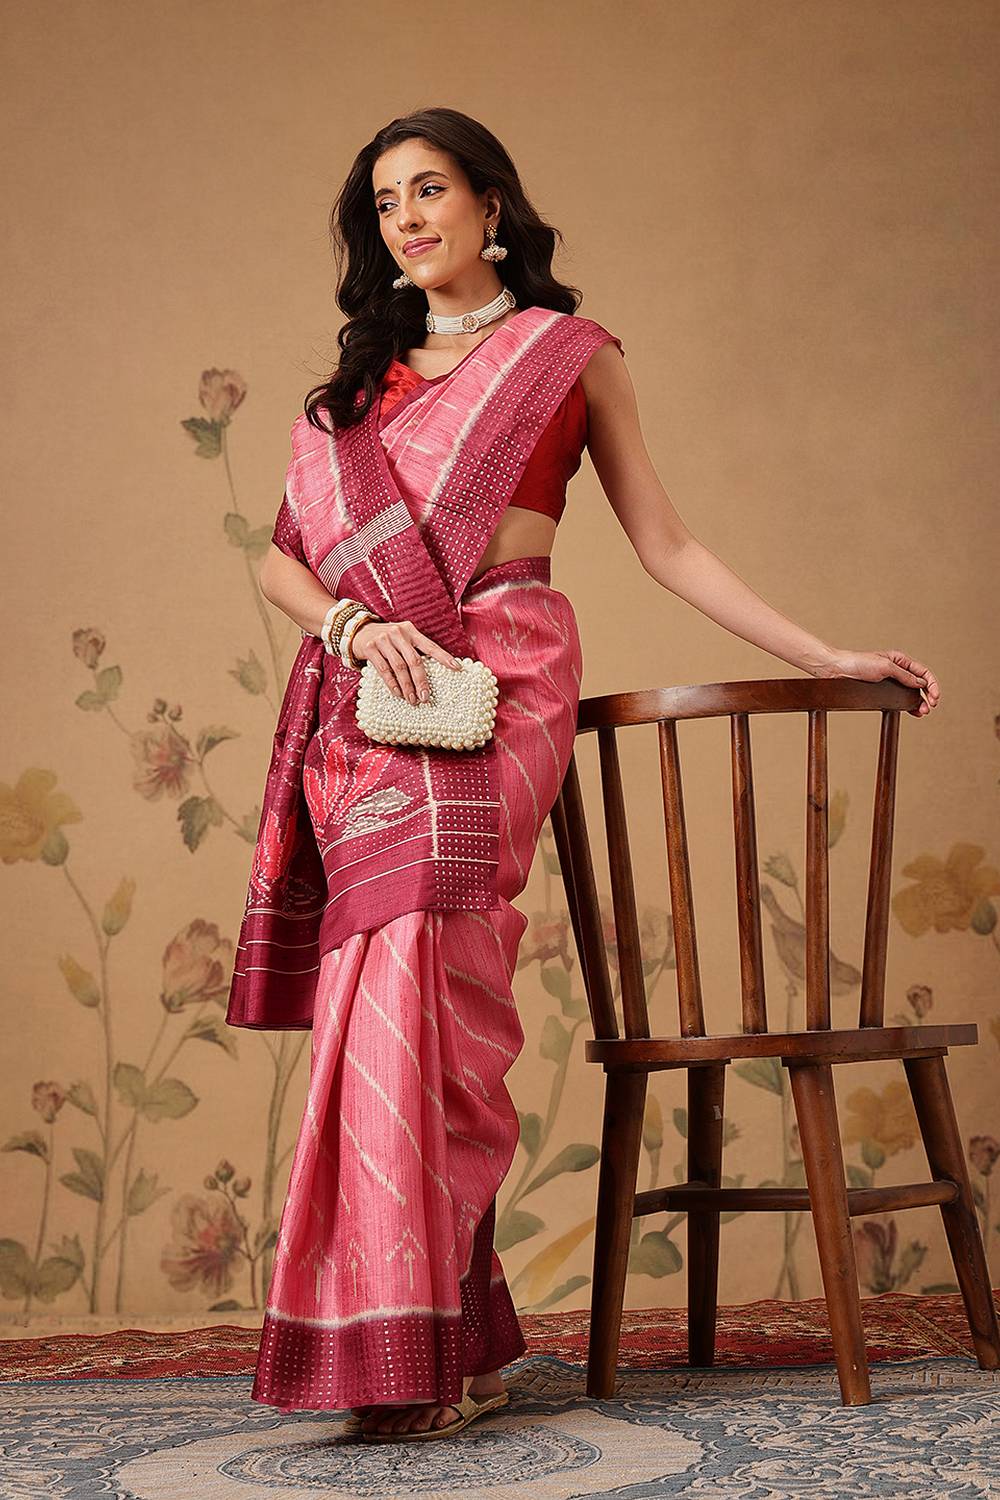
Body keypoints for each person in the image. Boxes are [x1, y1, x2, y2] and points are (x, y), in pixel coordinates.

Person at [225, 107, 941, 1444]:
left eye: (429, 189)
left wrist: (827, 651)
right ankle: (438, 1341)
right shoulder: (353, 396)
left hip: (501, 676)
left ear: (492, 204)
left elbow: (669, 545)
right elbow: (280, 560)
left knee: (439, 987)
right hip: (376, 699)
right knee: (384, 1004)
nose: (406, 219)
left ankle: (423, 1345)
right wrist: (348, 626)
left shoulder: (571, 356)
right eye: (384, 203)